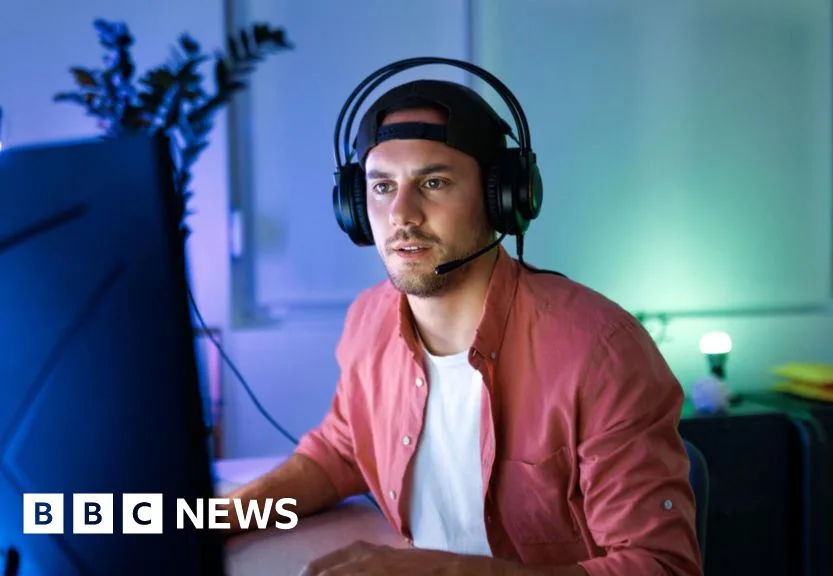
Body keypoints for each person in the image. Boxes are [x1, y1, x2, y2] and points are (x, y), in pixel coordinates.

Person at [226, 67, 702, 576]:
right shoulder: (370, 320)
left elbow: (661, 566)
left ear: (502, 199)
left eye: (434, 182)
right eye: (382, 186)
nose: (402, 214)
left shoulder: (600, 351)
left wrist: (438, 572)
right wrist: (218, 518)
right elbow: (338, 456)